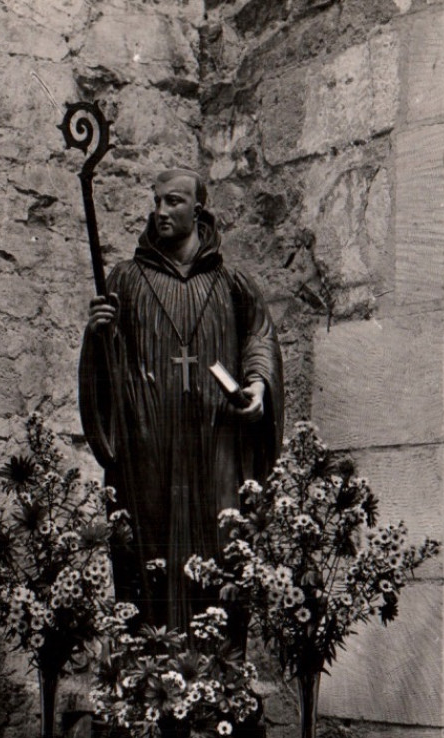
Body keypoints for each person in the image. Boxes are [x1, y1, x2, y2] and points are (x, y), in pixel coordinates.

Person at [79, 168, 284, 631]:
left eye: (173, 201)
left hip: (216, 443)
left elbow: (259, 338)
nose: (160, 211)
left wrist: (257, 384)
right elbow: (105, 364)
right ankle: (147, 674)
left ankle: (222, 675)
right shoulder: (126, 281)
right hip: (149, 447)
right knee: (149, 551)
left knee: (221, 542)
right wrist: (97, 335)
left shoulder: (233, 283)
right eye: (156, 201)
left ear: (199, 210)